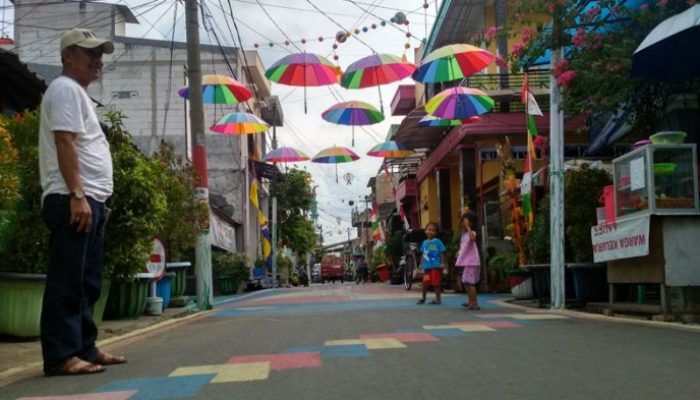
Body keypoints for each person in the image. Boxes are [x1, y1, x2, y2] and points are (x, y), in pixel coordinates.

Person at [38, 28, 126, 376]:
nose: (97, 59)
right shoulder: (64, 89)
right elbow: (65, 143)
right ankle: (61, 356)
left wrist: (99, 199)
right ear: (66, 57)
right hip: (71, 198)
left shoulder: (77, 94)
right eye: (88, 52)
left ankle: (84, 348)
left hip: (90, 199)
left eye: (99, 53)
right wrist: (77, 194)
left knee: (87, 281)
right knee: (67, 280)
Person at [456, 211, 482, 310]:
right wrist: (459, 252)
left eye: (466, 221)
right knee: (466, 282)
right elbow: (464, 246)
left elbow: (472, 238)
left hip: (472, 262)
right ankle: (470, 300)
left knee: (470, 282)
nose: (463, 223)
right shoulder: (463, 235)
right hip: (467, 262)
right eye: (463, 221)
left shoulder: (471, 232)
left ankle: (475, 303)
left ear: (471, 223)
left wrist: (468, 228)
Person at [416, 222, 446, 305]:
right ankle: (423, 298)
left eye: (433, 230)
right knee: (425, 283)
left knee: (436, 284)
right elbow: (423, 254)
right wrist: (421, 263)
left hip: (436, 267)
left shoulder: (438, 242)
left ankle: (438, 299)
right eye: (429, 229)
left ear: (436, 233)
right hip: (427, 267)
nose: (431, 231)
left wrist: (442, 263)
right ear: (425, 231)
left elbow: (441, 253)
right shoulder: (424, 242)